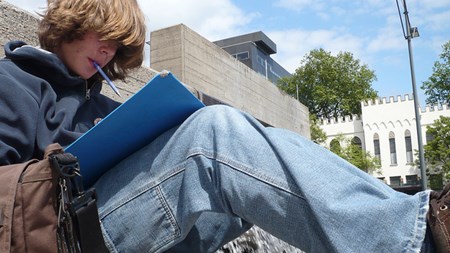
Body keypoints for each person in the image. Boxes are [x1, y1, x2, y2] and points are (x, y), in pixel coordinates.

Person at [0, 0, 448, 252]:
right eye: (105, 35)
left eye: (119, 47)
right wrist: (63, 163)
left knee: (254, 171)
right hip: (64, 237)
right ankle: (415, 234)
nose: (109, 52)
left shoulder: (97, 100)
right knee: (215, 135)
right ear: (72, 20)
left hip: (114, 223)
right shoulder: (15, 80)